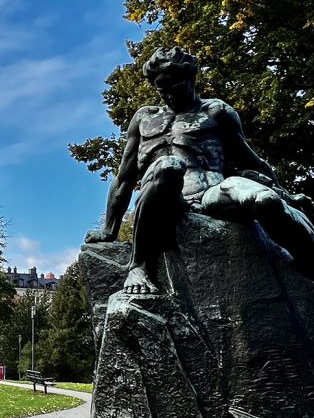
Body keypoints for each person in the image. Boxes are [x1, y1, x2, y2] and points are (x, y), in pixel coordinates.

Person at [85, 47, 314, 294]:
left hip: (210, 193)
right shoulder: (144, 118)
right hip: (166, 200)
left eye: (175, 86)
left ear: (190, 78)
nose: (168, 94)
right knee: (168, 165)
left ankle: (309, 260)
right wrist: (109, 229)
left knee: (266, 200)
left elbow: (251, 161)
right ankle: (138, 267)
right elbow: (124, 177)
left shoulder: (216, 111)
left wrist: (285, 195)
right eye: (162, 88)